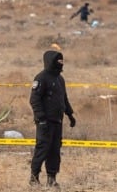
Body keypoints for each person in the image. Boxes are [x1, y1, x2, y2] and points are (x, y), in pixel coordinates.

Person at [29, 50, 76, 188]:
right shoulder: (41, 78)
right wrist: (41, 118)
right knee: (42, 149)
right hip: (45, 123)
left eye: (62, 61)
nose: (61, 64)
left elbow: (64, 99)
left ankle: (52, 179)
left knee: (55, 151)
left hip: (57, 121)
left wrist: (70, 114)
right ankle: (34, 178)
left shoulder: (60, 79)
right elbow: (34, 100)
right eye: (58, 61)